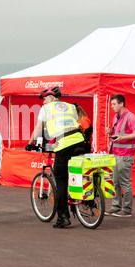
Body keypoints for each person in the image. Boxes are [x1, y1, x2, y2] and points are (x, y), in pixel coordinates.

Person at [26, 86, 86, 228]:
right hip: (79, 141)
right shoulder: (71, 107)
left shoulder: (46, 109)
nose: (43, 102)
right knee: (76, 171)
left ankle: (63, 217)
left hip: (63, 144)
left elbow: (38, 128)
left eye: (45, 99)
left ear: (51, 98)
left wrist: (30, 143)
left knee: (60, 181)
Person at [104, 94, 135, 217]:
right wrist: (111, 132)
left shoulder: (131, 117)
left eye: (114, 104)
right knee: (115, 181)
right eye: (111, 104)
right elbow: (118, 133)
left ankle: (127, 209)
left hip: (126, 155)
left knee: (124, 182)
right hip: (116, 153)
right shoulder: (116, 117)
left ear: (121, 104)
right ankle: (116, 206)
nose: (112, 106)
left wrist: (122, 138)